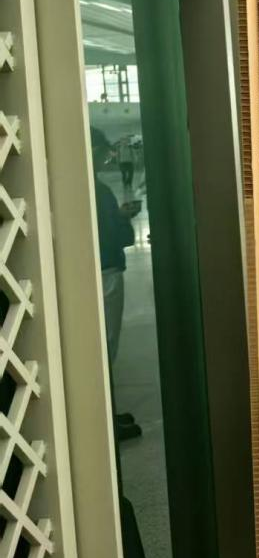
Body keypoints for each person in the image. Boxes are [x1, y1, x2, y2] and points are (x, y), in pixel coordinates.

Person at [92, 127, 141, 441]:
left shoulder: (91, 187)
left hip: (102, 269)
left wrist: (119, 215)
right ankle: (104, 420)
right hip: (106, 272)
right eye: (102, 151)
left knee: (104, 347)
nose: (105, 157)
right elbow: (106, 234)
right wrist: (122, 220)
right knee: (105, 347)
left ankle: (107, 413)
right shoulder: (94, 189)